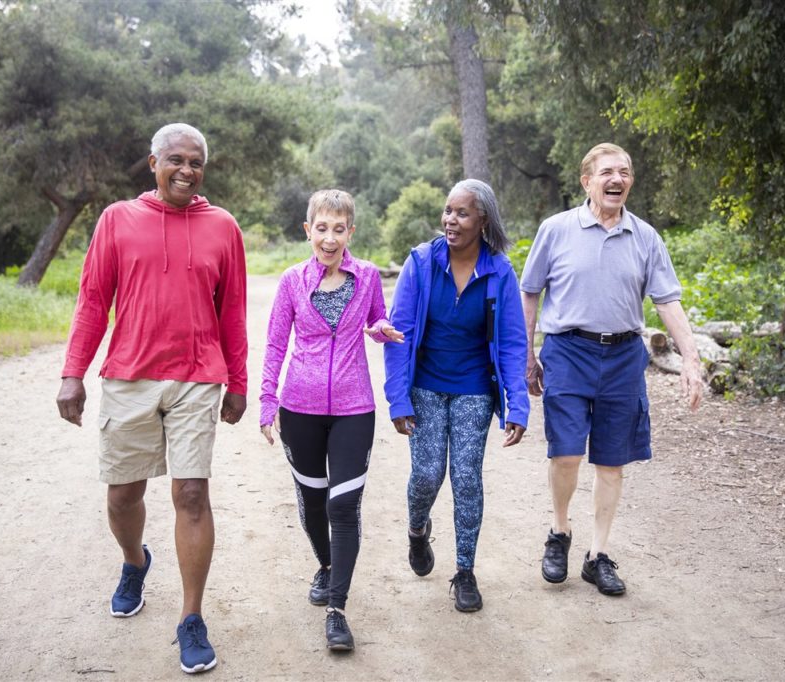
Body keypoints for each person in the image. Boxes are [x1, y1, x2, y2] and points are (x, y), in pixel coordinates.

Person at [56, 123, 247, 674]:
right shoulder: (117, 219)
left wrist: (237, 380)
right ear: (153, 163)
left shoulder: (223, 227)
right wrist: (74, 373)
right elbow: (93, 301)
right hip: (129, 376)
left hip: (196, 376)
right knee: (122, 496)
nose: (186, 170)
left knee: (191, 494)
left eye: (196, 162)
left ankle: (191, 618)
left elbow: (232, 310)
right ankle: (135, 561)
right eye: (176, 160)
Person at [520, 142, 703, 596]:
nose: (616, 179)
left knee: (612, 463)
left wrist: (691, 360)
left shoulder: (646, 237)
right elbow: (529, 292)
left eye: (623, 172)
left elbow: (667, 302)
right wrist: (526, 355)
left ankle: (598, 555)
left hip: (623, 357)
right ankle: (560, 533)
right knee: (565, 453)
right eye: (606, 172)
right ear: (587, 182)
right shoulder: (556, 229)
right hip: (568, 351)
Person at [259, 189, 403, 652]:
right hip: (298, 409)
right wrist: (266, 402)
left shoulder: (365, 277)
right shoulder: (292, 281)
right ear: (308, 230)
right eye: (321, 228)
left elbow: (378, 320)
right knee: (313, 501)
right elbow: (276, 345)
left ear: (350, 232)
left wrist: (381, 331)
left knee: (344, 506)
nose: (329, 238)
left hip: (353, 408)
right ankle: (325, 566)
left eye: (338, 229)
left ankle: (337, 609)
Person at [384, 178, 529, 613]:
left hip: (473, 389)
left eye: (462, 213)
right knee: (427, 475)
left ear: (483, 219)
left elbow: (511, 343)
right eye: (448, 211)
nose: (451, 220)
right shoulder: (421, 263)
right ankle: (416, 529)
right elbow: (398, 335)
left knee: (466, 477)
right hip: (425, 385)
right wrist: (398, 400)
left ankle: (465, 571)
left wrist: (516, 404)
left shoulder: (499, 270)